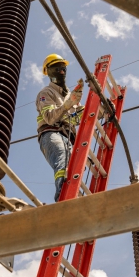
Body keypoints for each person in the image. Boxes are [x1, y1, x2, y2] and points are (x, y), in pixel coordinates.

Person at [36, 53, 84, 202]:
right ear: (48, 72)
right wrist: (68, 104)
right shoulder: (46, 93)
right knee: (62, 160)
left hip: (68, 136)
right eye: (57, 68)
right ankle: (62, 198)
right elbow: (50, 117)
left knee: (74, 170)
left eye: (63, 68)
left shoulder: (70, 95)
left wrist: (100, 109)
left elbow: (75, 119)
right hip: (51, 133)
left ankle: (73, 197)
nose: (62, 71)